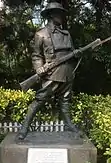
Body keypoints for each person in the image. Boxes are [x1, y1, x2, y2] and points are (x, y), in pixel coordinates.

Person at [18, 1, 83, 140]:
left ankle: (69, 125)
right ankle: (24, 128)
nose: (61, 16)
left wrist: (76, 54)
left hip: (67, 72)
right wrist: (39, 68)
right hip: (51, 73)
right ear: (52, 15)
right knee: (40, 100)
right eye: (59, 13)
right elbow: (36, 55)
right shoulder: (41, 34)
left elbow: (71, 51)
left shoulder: (66, 34)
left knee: (65, 100)